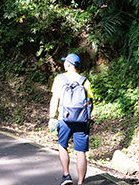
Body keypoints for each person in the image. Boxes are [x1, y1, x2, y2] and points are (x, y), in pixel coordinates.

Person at [48, 53, 93, 185]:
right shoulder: (85, 81)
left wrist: (52, 117)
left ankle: (66, 175)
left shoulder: (60, 79)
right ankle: (80, 182)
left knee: (62, 145)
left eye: (65, 62)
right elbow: (90, 102)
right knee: (81, 152)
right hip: (81, 120)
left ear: (68, 64)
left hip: (64, 119)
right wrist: (88, 119)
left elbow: (54, 99)